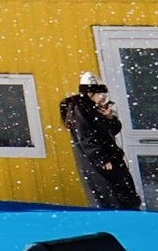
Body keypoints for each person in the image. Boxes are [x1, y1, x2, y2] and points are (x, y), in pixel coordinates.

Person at [59, 71, 142, 210]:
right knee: (111, 194)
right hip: (99, 161)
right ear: (90, 93)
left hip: (111, 156)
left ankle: (130, 210)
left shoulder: (97, 108)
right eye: (100, 93)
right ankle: (121, 213)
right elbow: (85, 136)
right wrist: (101, 158)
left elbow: (113, 129)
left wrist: (109, 117)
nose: (103, 97)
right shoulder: (80, 109)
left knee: (124, 190)